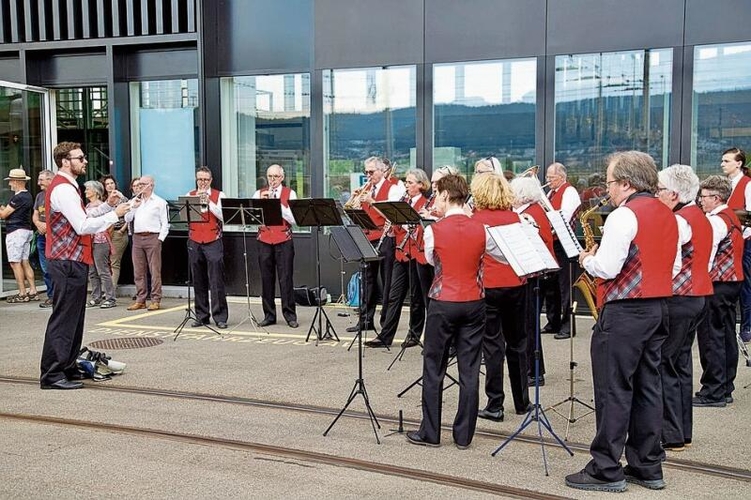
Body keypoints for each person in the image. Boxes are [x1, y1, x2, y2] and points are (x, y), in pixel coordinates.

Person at [565, 151, 677, 493]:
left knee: (613, 389)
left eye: (611, 182)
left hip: (625, 311)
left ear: (626, 183)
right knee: (648, 388)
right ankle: (647, 465)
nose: (608, 189)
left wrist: (587, 258)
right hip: (659, 307)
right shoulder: (668, 213)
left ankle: (606, 467)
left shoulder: (623, 215)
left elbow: (609, 268)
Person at [406, 174, 505, 450]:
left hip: (443, 300)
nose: (435, 199)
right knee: (470, 369)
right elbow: (496, 254)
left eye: (438, 194)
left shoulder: (433, 230)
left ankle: (431, 432)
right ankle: (463, 436)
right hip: (474, 302)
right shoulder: (482, 229)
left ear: (448, 196)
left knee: (433, 366)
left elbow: (429, 260)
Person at [40, 141, 130, 390]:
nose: (85, 161)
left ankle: (67, 367)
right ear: (65, 161)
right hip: (67, 260)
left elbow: (84, 216)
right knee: (64, 319)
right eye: (80, 158)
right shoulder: (64, 189)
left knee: (74, 319)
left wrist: (109, 206)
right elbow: (82, 226)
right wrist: (115, 214)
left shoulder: (68, 187)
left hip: (72, 260)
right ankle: (52, 374)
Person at [655, 165, 712, 451]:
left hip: (679, 297)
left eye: (660, 190)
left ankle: (670, 433)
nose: (656, 195)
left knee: (664, 363)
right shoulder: (700, 217)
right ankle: (683, 431)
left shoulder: (678, 221)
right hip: (698, 295)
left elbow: (669, 261)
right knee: (681, 364)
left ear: (674, 194)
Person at [472, 172, 531, 423]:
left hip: (489, 286)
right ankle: (522, 401)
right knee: (518, 342)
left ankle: (495, 403)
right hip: (517, 283)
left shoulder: (475, 220)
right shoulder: (517, 218)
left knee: (492, 346)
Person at [694, 175, 744, 408]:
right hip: (731, 281)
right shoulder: (730, 216)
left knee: (711, 336)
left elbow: (707, 253)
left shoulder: (715, 221)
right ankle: (724, 387)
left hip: (717, 283)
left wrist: (698, 277)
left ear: (716, 197)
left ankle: (713, 390)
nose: (701, 201)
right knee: (724, 334)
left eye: (703, 197)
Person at [366, 168, 430, 348]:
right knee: (394, 296)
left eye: (410, 182)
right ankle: (386, 336)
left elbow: (419, 228)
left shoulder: (424, 204)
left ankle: (414, 334)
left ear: (421, 185)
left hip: (415, 254)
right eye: (407, 182)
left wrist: (400, 220)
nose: (407, 186)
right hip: (400, 253)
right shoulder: (404, 201)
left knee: (416, 299)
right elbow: (397, 229)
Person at [347, 156, 405, 333]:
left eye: (371, 172)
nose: (368, 175)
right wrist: (355, 200)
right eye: (366, 172)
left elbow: (390, 212)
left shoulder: (393, 188)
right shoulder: (367, 189)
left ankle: (386, 321)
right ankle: (365, 319)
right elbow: (356, 212)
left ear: (382, 171)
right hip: (367, 236)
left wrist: (372, 201)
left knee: (387, 279)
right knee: (367, 279)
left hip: (385, 237)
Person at [510, 176, 556, 387]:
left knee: (528, 323)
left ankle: (533, 370)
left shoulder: (527, 215)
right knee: (529, 323)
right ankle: (534, 368)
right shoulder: (533, 210)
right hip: (535, 271)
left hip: (532, 272)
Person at [252, 164, 298, 328]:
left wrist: (276, 204)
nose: (272, 180)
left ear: (282, 177)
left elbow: (294, 219)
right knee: (266, 279)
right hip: (264, 240)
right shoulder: (259, 193)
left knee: (286, 279)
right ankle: (269, 315)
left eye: (276, 177)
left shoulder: (290, 193)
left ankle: (290, 315)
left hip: (283, 240)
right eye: (270, 177)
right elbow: (252, 217)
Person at [543, 162, 581, 340]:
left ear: (561, 177)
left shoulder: (570, 191)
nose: (548, 180)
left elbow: (563, 217)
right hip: (553, 244)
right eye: (548, 177)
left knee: (565, 287)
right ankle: (553, 322)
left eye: (551, 178)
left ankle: (567, 325)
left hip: (564, 245)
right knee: (551, 286)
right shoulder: (551, 192)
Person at [187, 166, 229, 329]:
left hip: (213, 240)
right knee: (198, 280)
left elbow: (224, 216)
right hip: (195, 240)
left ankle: (220, 317)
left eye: (205, 179)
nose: (202, 183)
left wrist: (209, 201)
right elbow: (187, 217)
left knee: (216, 280)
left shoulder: (219, 195)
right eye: (200, 179)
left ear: (210, 180)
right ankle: (202, 315)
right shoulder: (189, 195)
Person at [125, 175, 169, 311]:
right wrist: (133, 207)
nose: (140, 187)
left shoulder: (160, 202)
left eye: (143, 184)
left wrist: (160, 239)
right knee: (138, 271)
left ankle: (155, 299)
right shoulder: (135, 201)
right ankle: (141, 299)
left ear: (151, 185)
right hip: (137, 237)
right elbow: (127, 218)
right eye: (139, 184)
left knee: (154, 270)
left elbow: (165, 223)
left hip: (152, 236)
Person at [721, 147, 751, 342]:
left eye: (726, 161)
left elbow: (749, 215)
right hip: (728, 241)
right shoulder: (725, 185)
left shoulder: (747, 184)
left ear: (738, 163)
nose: (722, 164)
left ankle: (747, 326)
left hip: (745, 240)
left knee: (746, 285)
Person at [0, 168, 39, 303]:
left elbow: (4, 214)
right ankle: (33, 290)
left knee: (15, 263)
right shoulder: (27, 196)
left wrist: (2, 209)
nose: (10, 183)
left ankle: (22, 293)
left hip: (16, 232)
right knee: (25, 262)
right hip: (25, 230)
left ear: (16, 181)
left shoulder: (18, 197)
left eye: (11, 181)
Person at [84, 180, 117, 309]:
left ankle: (110, 297)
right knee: (92, 271)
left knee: (102, 270)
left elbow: (109, 224)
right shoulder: (87, 207)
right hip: (89, 241)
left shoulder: (102, 206)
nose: (86, 191)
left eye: (88, 189)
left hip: (100, 241)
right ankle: (96, 296)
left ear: (96, 191)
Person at [100, 174, 130, 290]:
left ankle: (110, 291)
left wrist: (123, 229)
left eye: (111, 183)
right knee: (104, 263)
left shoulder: (122, 198)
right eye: (107, 184)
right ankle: (104, 289)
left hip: (118, 233)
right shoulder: (103, 200)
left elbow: (130, 214)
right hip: (104, 234)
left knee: (114, 262)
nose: (110, 186)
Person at [33, 170, 55, 308]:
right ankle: (51, 296)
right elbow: (35, 215)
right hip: (41, 235)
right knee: (45, 267)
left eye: (41, 179)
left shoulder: (56, 195)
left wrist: (47, 228)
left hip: (53, 236)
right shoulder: (40, 196)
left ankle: (58, 296)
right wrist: (38, 224)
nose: (38, 182)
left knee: (55, 267)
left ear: (50, 180)